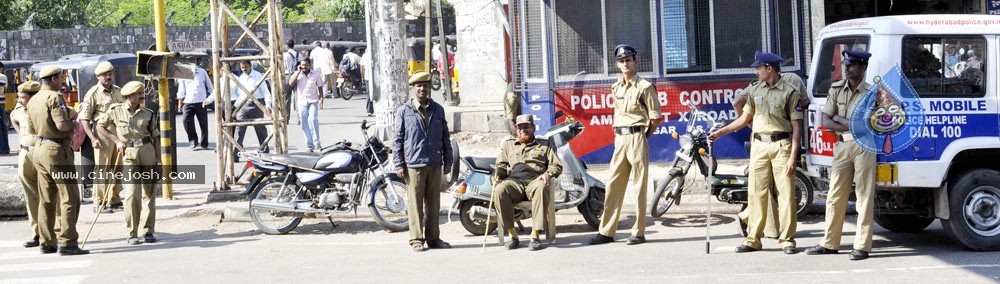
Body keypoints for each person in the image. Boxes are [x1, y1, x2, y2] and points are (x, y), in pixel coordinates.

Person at [708, 51, 803, 254]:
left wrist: (794, 156)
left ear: (770, 69)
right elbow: (743, 119)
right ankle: (753, 239)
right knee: (755, 193)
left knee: (785, 194)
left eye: (759, 68)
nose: (756, 71)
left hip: (782, 146)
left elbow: (797, 126)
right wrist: (719, 133)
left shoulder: (790, 92)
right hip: (759, 146)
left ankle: (787, 240)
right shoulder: (755, 90)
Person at [588, 44, 663, 246]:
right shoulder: (616, 87)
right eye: (621, 61)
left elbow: (656, 117)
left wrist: (644, 137)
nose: (625, 63)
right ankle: (606, 231)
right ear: (617, 64)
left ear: (635, 62)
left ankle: (638, 232)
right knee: (613, 184)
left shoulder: (645, 87)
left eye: (628, 59)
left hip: (637, 136)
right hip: (620, 138)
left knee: (639, 186)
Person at [805, 51, 875, 261]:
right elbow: (825, 122)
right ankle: (830, 243)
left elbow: (866, 124)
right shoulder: (836, 89)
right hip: (842, 145)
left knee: (864, 197)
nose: (846, 68)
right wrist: (848, 122)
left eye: (852, 65)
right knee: (835, 195)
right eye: (845, 64)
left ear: (862, 68)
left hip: (864, 145)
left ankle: (862, 246)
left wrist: (839, 118)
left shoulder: (872, 93)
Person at [27, 66, 89, 255]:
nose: (63, 82)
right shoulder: (54, 97)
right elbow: (62, 125)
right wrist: (75, 122)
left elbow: (31, 130)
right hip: (56, 149)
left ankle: (47, 242)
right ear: (53, 79)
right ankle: (68, 242)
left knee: (46, 198)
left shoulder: (34, 99)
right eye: (61, 79)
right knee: (70, 196)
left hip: (40, 149)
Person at [392, 71, 453, 252]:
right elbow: (397, 139)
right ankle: (416, 239)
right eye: (419, 86)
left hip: (435, 162)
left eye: (425, 86)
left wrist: (448, 160)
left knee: (434, 204)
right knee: (415, 204)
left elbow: (445, 137)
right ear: (413, 89)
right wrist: (398, 163)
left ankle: (434, 239)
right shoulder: (404, 111)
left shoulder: (438, 109)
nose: (422, 89)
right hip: (414, 164)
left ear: (429, 88)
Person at [96, 81, 161, 245]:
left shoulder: (148, 113)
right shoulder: (115, 111)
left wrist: (159, 161)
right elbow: (100, 127)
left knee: (149, 194)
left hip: (147, 153)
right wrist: (116, 141)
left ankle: (148, 231)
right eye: (138, 94)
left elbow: (155, 137)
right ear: (129, 96)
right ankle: (132, 232)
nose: (141, 96)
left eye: (141, 93)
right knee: (132, 194)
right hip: (128, 155)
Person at [493, 114, 562, 251]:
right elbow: (501, 165)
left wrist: (548, 174)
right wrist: (497, 175)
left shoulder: (544, 144)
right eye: (520, 128)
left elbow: (556, 166)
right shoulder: (509, 145)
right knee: (500, 190)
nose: (523, 130)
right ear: (516, 130)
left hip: (534, 180)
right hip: (514, 182)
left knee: (542, 187)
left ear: (533, 128)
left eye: (526, 127)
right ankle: (513, 235)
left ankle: (535, 236)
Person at [79, 61, 124, 213]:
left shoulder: (118, 91)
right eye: (104, 75)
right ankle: (99, 202)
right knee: (102, 169)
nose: (108, 77)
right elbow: (84, 119)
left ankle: (115, 199)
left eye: (110, 74)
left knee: (118, 167)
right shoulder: (92, 94)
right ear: (98, 76)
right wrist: (93, 138)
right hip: (102, 133)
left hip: (118, 133)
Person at [11, 81, 41, 248]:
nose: (20, 100)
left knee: (51, 194)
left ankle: (56, 232)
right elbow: (13, 118)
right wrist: (21, 137)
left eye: (23, 97)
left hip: (43, 152)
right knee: (31, 196)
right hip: (25, 153)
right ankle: (36, 233)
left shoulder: (44, 108)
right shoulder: (19, 109)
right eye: (19, 97)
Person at [231, 60, 272, 159]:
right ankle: (236, 152)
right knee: (239, 129)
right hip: (243, 105)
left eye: (246, 67)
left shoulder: (258, 76)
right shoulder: (241, 78)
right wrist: (235, 107)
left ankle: (264, 151)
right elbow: (240, 95)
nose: (244, 69)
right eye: (242, 68)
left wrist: (268, 105)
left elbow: (265, 91)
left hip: (257, 104)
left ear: (250, 66)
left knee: (260, 129)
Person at [289, 58, 324, 152]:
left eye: (306, 65)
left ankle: (317, 143)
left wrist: (321, 99)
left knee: (312, 120)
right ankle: (309, 144)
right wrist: (297, 72)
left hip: (313, 101)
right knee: (304, 124)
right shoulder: (298, 74)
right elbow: (291, 83)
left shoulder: (316, 74)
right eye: (302, 65)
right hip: (302, 102)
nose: (304, 67)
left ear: (310, 65)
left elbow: (320, 87)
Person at [176, 65, 213, 150]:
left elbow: (209, 85)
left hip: (201, 101)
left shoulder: (202, 72)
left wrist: (212, 96)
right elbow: (181, 88)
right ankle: (193, 140)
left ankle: (204, 143)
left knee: (203, 124)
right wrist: (180, 101)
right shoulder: (184, 72)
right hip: (188, 102)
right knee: (186, 120)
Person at [283, 39, 299, 124]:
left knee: (287, 98)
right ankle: (299, 118)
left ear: (287, 46)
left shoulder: (285, 55)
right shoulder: (297, 54)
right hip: (296, 75)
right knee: (297, 97)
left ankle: (286, 118)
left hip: (287, 76)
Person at [360, 47, 374, 116]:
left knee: (369, 93)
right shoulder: (374, 54)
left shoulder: (364, 56)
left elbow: (361, 67)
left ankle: (369, 109)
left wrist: (362, 76)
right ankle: (370, 109)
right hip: (373, 77)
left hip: (367, 77)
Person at [0, 62, 9, 155]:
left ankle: (2, 149)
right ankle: (6, 148)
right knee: (3, 126)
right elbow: (5, 91)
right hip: (2, 103)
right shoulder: (4, 77)